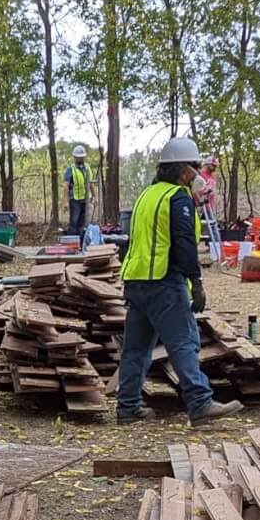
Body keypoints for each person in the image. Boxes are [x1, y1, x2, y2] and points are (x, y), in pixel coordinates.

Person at [116, 135, 243, 425]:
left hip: (136, 282)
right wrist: (195, 282)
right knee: (184, 342)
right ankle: (200, 402)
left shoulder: (145, 196)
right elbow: (184, 243)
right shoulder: (178, 197)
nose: (197, 174)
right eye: (194, 168)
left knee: (135, 349)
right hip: (164, 282)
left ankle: (127, 407)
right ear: (183, 170)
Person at [65, 146, 93, 237]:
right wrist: (65, 201)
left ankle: (80, 243)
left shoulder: (87, 168)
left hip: (85, 199)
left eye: (82, 157)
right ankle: (71, 242)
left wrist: (94, 196)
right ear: (75, 157)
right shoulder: (70, 169)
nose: (80, 158)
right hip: (75, 199)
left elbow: (90, 183)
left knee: (83, 223)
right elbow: (65, 186)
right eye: (78, 157)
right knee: (74, 222)